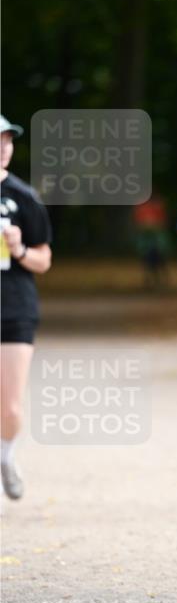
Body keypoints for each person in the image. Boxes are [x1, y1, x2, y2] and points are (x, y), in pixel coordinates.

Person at [1, 114, 53, 500]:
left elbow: (43, 260)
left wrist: (18, 249)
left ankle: (5, 456)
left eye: (7, 140)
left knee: (11, 404)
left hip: (14, 307)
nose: (3, 147)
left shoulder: (24, 196)